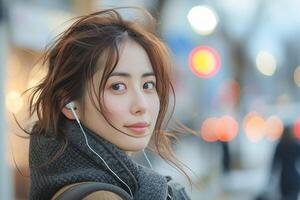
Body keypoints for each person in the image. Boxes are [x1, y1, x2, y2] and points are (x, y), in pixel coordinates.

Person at [24, 7, 192, 200]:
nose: (141, 105)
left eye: (148, 85)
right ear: (68, 102)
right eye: (118, 87)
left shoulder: (66, 179)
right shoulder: (102, 196)